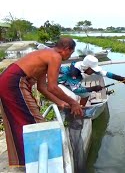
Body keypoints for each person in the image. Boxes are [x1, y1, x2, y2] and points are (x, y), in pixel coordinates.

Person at [0, 37, 82, 167]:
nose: (69, 56)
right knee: (35, 121)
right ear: (66, 49)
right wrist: (74, 102)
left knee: (20, 120)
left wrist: (59, 102)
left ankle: (25, 160)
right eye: (71, 53)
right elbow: (53, 87)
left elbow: (42, 87)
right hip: (13, 82)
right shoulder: (55, 56)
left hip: (8, 80)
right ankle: (39, 162)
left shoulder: (47, 54)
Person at [58, 54, 125, 106]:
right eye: (93, 70)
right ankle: (71, 110)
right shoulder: (74, 73)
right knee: (73, 98)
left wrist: (120, 78)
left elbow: (104, 73)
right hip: (58, 83)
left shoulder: (85, 67)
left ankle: (81, 107)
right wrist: (93, 88)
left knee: (86, 94)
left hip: (69, 82)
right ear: (88, 67)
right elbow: (76, 89)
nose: (94, 72)